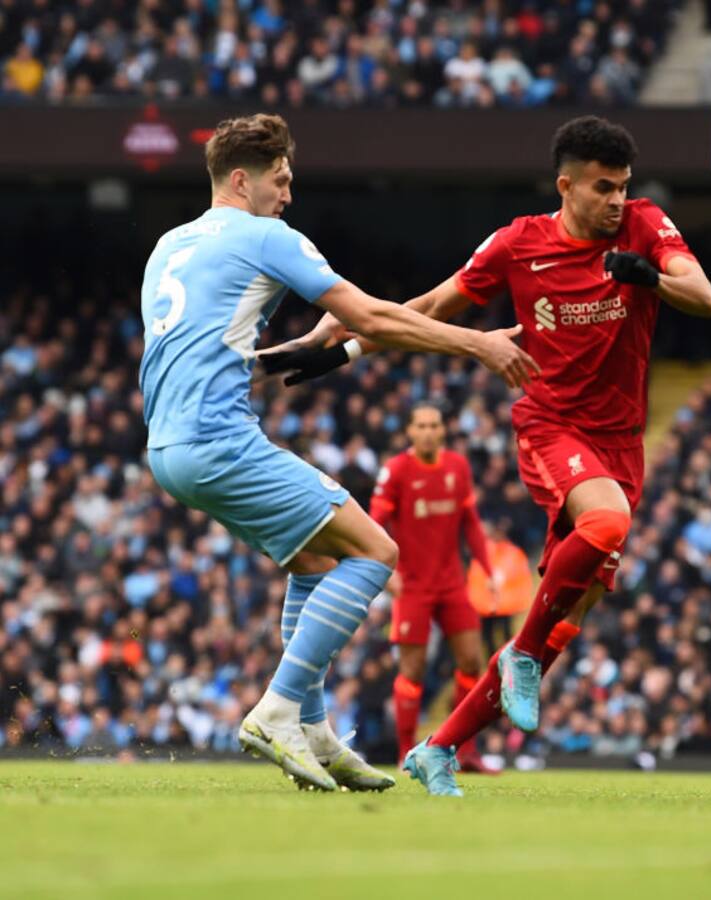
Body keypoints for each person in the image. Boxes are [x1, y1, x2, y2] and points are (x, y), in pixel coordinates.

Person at [262, 115, 711, 796]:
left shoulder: (644, 227)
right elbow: (437, 305)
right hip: (552, 424)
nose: (617, 201)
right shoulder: (518, 243)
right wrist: (349, 347)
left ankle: (440, 748)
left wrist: (646, 275)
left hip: (622, 443)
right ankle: (524, 657)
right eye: (603, 188)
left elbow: (705, 298)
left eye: (623, 187)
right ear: (566, 185)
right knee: (604, 527)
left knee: (574, 611)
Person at [138, 112, 537, 792]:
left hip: (167, 446)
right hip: (218, 439)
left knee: (315, 560)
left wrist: (301, 350)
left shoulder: (170, 245)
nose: (288, 195)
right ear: (242, 179)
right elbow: (374, 317)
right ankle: (278, 709)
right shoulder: (267, 235)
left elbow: (207, 354)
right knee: (376, 551)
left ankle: (315, 733)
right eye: (281, 180)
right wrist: (481, 345)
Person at [369, 402, 498, 773]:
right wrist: (385, 572)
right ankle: (407, 753)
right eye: (421, 425)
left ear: (443, 430)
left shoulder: (458, 466)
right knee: (413, 670)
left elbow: (471, 523)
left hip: (452, 583)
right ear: (410, 431)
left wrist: (487, 569)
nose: (427, 431)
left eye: (434, 425)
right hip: (412, 586)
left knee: (473, 662)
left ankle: (465, 751)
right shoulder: (395, 471)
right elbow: (375, 522)